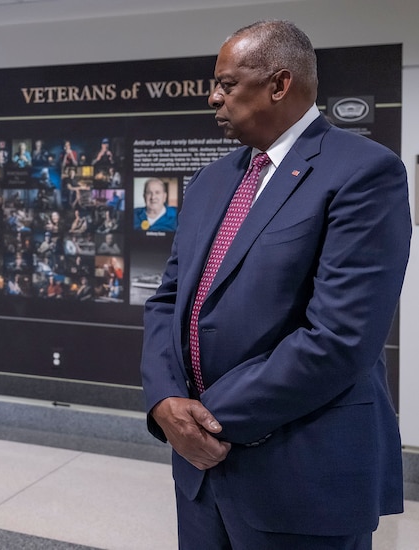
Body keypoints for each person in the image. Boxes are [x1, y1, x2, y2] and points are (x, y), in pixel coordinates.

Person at [140, 20, 410, 549]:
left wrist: (205, 421)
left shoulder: (362, 173)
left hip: (301, 471)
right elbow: (169, 301)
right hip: (200, 477)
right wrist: (164, 400)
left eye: (226, 83)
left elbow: (340, 339)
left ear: (279, 84)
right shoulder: (211, 180)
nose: (213, 98)